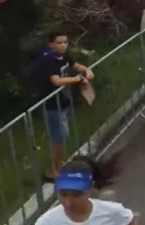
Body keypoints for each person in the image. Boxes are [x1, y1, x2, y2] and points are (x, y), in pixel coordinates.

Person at [33, 31, 95, 180]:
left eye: (65, 42)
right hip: (52, 105)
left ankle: (58, 164)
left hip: (63, 100)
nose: (63, 45)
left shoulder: (64, 56)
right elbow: (56, 81)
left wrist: (86, 70)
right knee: (58, 138)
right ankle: (54, 171)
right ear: (51, 44)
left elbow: (75, 65)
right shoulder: (48, 60)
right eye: (59, 43)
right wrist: (78, 79)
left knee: (63, 136)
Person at [35, 157, 138, 225]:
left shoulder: (114, 212)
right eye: (63, 194)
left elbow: (130, 221)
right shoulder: (46, 222)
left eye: (77, 195)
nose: (69, 203)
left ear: (91, 188)